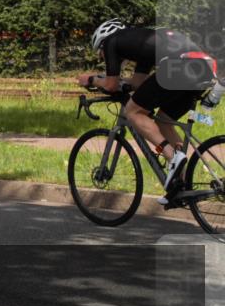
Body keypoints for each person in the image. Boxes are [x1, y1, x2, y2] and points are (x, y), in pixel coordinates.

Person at [77, 19, 219, 204]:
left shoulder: (112, 41)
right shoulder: (142, 42)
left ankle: (172, 157)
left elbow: (111, 84)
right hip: (204, 68)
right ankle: (181, 185)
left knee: (133, 112)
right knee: (162, 120)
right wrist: (117, 84)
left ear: (103, 42)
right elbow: (137, 84)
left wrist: (91, 80)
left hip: (180, 66)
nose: (102, 57)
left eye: (100, 53)